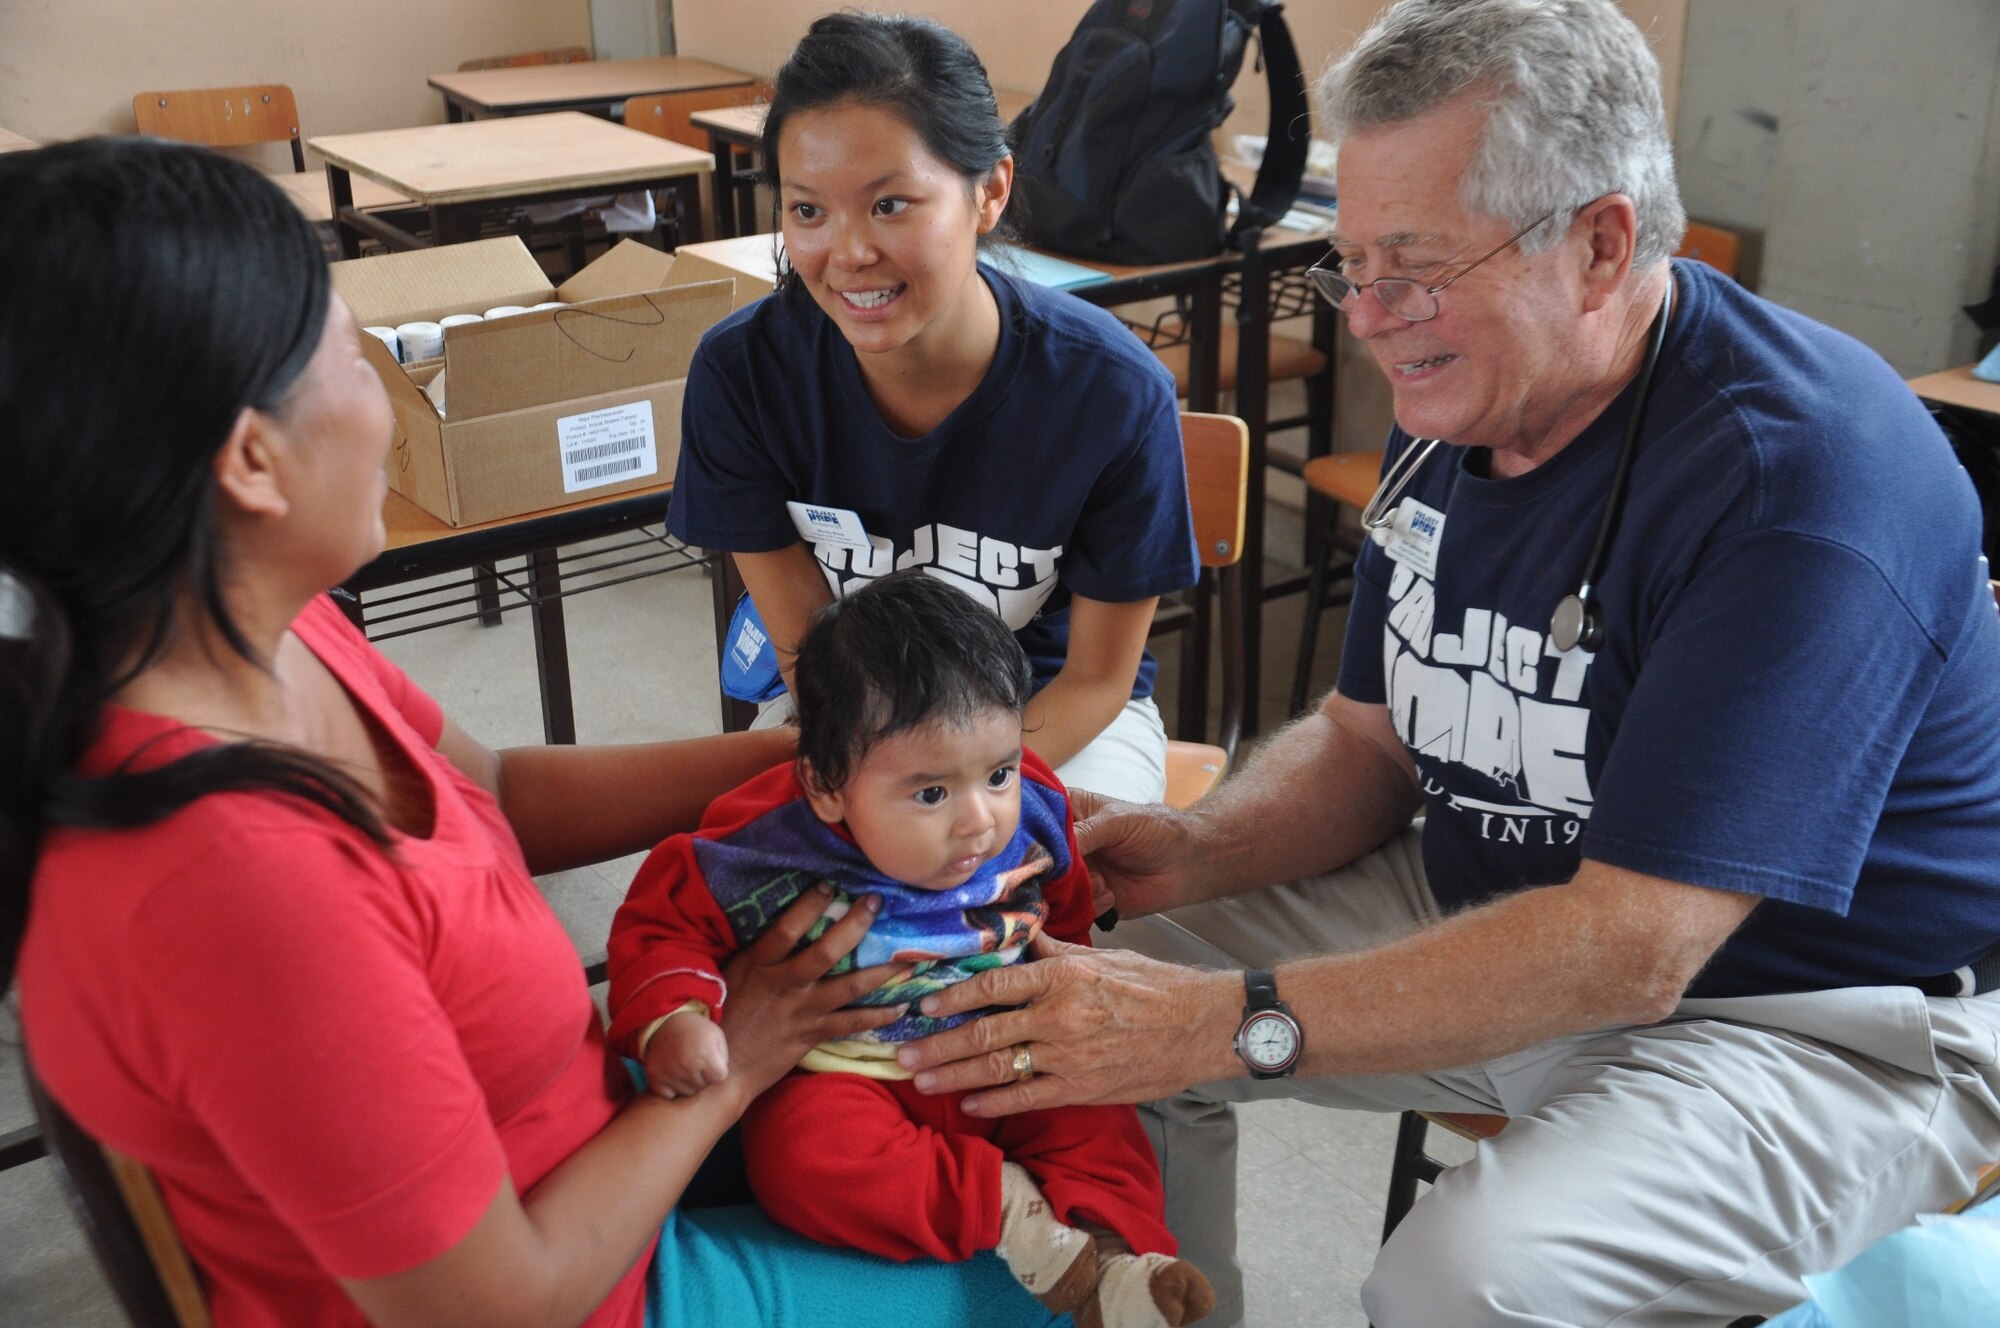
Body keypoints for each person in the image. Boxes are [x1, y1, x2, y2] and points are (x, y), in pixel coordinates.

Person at [892, 2, 2000, 1326]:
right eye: (1348, 267)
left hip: (1813, 1011)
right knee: (1074, 991)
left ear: (1599, 244)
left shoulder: (1803, 479)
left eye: (1410, 270)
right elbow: (1371, 746)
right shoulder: (1470, 399)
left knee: (1460, 1282)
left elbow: (1634, 948)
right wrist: (1201, 846)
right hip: (1505, 891)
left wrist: (1213, 1017)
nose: (1369, 321)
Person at [0, 136, 1070, 1328]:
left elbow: (495, 789)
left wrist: (835, 770)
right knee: (1061, 1272)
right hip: (587, 1286)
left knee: (1005, 1108)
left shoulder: (261, 631)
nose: (386, 404)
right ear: (251, 459)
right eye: (352, 358)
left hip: (592, 1145)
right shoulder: (233, 885)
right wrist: (746, 1056)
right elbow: (497, 1303)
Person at [606, 570, 1213, 1328]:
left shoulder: (1038, 807)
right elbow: (661, 924)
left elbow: (1064, 907)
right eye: (930, 793)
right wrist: (678, 1018)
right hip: (849, 1080)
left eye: (998, 773)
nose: (978, 821)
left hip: (1015, 1054)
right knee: (801, 1162)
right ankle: (1008, 1215)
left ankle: (1118, 1265)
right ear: (827, 785)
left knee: (1104, 1124)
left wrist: (1067, 985)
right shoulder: (760, 842)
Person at [666, 11, 1198, 806]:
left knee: (1028, 902)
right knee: (767, 892)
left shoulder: (1109, 391)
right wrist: (890, 781)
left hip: (1051, 713)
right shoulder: (744, 372)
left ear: (990, 192)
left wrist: (961, 793)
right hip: (849, 705)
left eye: (890, 205)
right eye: (808, 210)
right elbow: (808, 649)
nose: (847, 254)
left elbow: (1096, 677)